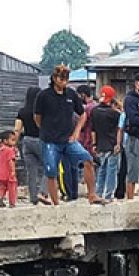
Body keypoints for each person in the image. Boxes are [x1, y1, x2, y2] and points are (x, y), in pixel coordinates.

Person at [34, 65, 94, 205]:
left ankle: (92, 195)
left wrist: (76, 131)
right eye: (61, 78)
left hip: (68, 139)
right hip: (50, 140)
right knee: (51, 172)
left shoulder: (71, 94)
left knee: (88, 160)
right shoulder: (44, 96)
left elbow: (82, 114)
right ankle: (56, 203)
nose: (64, 82)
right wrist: (46, 130)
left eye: (66, 79)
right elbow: (37, 117)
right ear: (54, 78)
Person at [15, 87, 47, 204]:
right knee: (49, 167)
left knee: (31, 171)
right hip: (41, 140)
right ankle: (43, 192)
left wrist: (13, 144)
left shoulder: (22, 111)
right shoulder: (42, 111)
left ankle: (33, 198)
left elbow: (17, 129)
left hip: (27, 141)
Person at [90, 86, 121, 202]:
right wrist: (118, 144)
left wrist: (94, 144)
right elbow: (119, 130)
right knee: (112, 171)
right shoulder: (114, 114)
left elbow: (93, 130)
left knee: (101, 170)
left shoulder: (94, 111)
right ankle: (108, 195)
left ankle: (98, 193)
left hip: (100, 145)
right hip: (112, 145)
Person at [0, 130, 19, 207]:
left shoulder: (0, 150)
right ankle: (12, 203)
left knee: (2, 187)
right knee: (12, 188)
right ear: (5, 140)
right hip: (9, 173)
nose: (14, 142)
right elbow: (10, 161)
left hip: (1, 173)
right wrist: (13, 171)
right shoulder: (10, 150)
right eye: (12, 140)